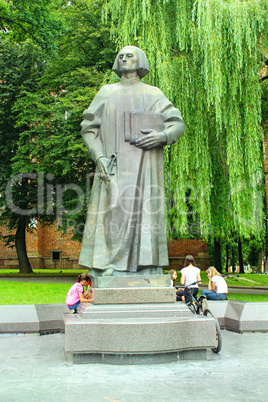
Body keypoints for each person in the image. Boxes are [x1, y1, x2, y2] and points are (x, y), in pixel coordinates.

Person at [79, 45, 185, 277]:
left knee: (146, 212)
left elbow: (177, 123)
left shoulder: (154, 94)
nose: (124, 58)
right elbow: (88, 128)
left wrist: (162, 136)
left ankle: (148, 265)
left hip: (145, 167)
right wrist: (99, 158)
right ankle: (109, 264)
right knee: (112, 212)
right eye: (121, 56)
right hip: (113, 166)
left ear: (141, 62)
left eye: (130, 55)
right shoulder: (106, 92)